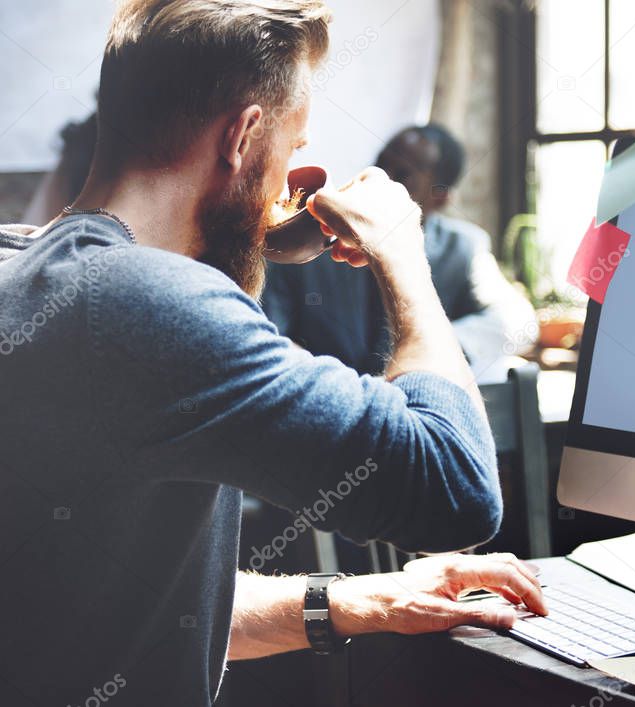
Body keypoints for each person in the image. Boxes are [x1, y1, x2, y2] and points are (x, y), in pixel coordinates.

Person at [0, 2, 545, 705]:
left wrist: (368, 600)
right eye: (291, 149)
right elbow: (458, 487)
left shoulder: (28, 267)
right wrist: (402, 254)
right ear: (244, 136)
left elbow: (126, 611)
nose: (287, 181)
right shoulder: (150, 304)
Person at [262, 124, 537, 380]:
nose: (383, 179)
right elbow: (268, 335)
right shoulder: (309, 243)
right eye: (381, 164)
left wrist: (427, 352)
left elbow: (516, 321)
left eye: (403, 174)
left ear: (439, 197)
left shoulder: (462, 248)